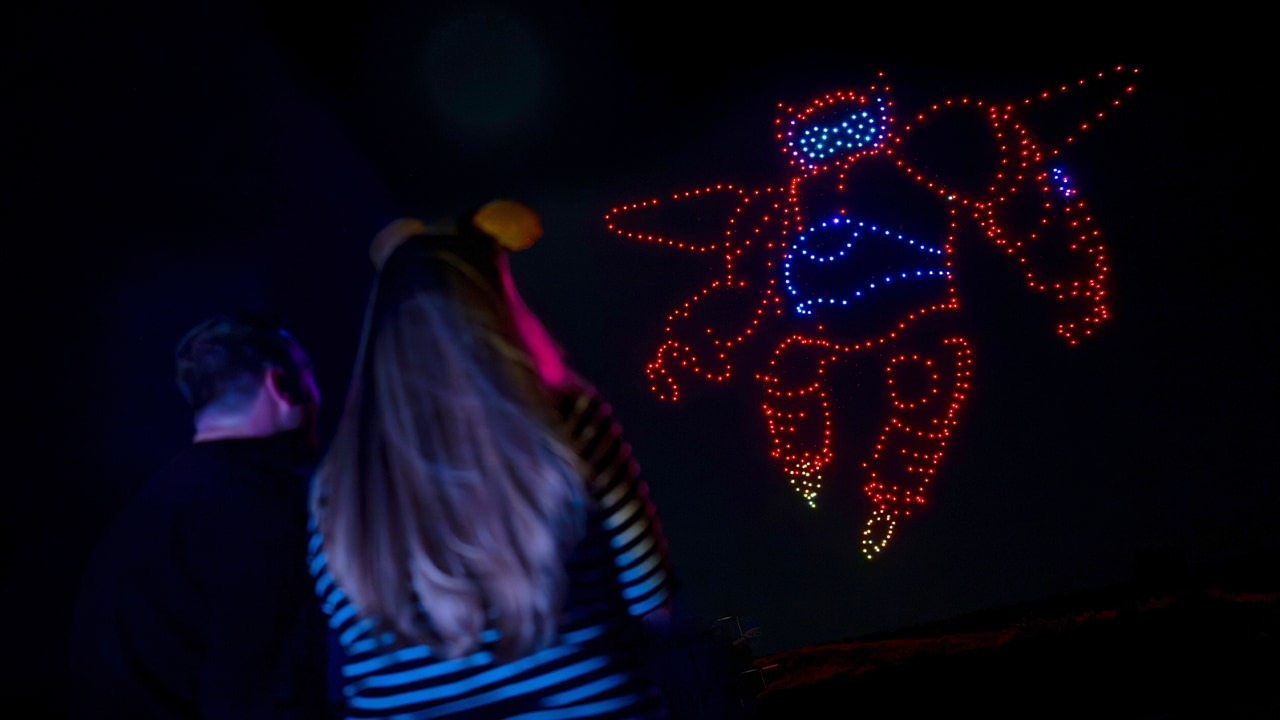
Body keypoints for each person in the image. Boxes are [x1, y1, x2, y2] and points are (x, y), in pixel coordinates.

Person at [308, 200, 676, 719]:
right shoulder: (567, 419)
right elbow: (651, 601)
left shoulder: (335, 482)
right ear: (494, 308)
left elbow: (348, 639)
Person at [68, 311, 340, 719]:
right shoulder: (260, 504)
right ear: (279, 385)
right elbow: (254, 689)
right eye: (308, 371)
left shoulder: (153, 504)